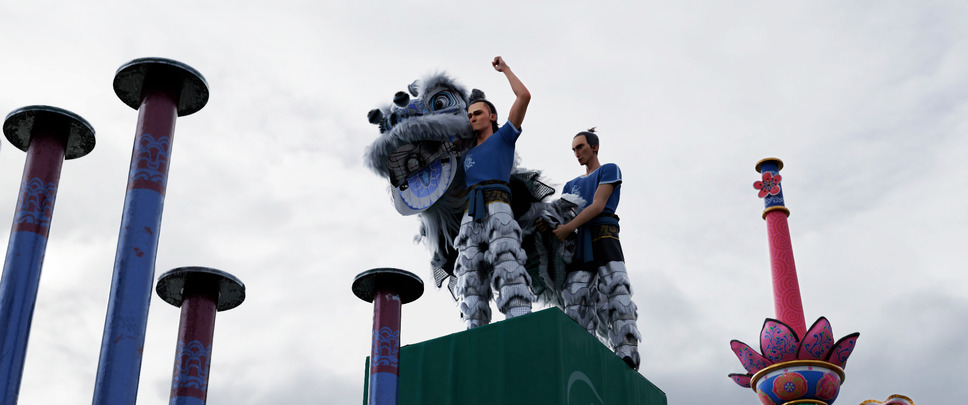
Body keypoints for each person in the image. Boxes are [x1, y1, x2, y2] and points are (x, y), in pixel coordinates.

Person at [549, 128, 642, 370]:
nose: (577, 153)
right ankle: (582, 350)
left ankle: (627, 351)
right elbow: (561, 213)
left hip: (604, 234)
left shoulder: (609, 169)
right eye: (573, 149)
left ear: (594, 147)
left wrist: (568, 227)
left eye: (580, 147)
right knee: (575, 294)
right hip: (580, 242)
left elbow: (598, 205)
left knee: (616, 291)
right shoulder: (571, 184)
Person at [453, 56, 534, 329]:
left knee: (506, 261)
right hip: (469, 214)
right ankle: (474, 327)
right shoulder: (464, 155)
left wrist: (506, 70)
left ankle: (518, 323)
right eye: (469, 115)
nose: (472, 117)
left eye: (477, 113)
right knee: (470, 274)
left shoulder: (504, 138)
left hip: (499, 207)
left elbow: (524, 96)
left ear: (492, 116)